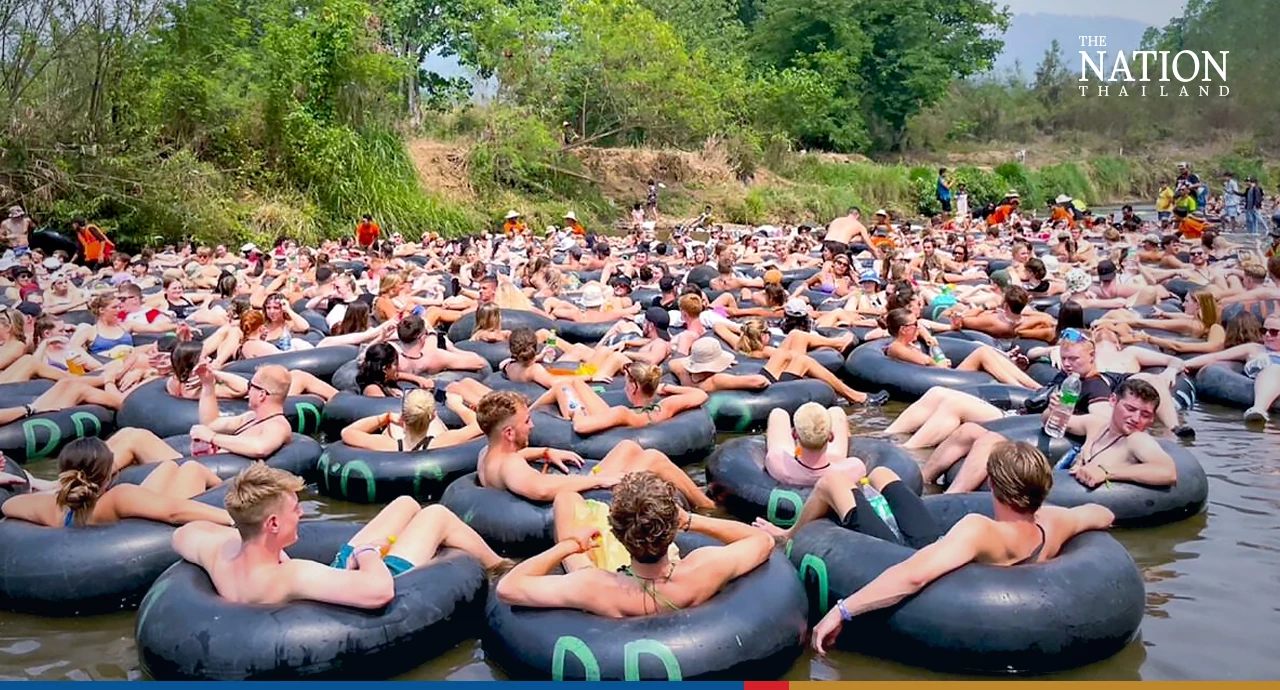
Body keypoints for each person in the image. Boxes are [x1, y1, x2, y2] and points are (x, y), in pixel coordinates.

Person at [805, 442, 1116, 655]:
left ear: (992, 486)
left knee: (834, 483)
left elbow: (913, 576)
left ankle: (787, 533)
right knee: (883, 474)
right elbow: (1103, 514)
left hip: (907, 557)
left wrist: (841, 611)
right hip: (941, 549)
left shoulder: (980, 530)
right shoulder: (1054, 523)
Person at [171, 463, 511, 607]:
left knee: (406, 504)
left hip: (334, 573)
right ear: (272, 524)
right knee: (435, 514)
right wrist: (366, 553)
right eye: (295, 510)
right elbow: (379, 591)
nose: (302, 514)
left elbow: (184, 533)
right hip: (362, 581)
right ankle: (501, 566)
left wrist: (241, 526)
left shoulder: (222, 554)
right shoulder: (289, 575)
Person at [495, 471, 772, 617]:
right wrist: (691, 522)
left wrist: (568, 545)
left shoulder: (593, 585)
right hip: (676, 583)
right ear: (672, 528)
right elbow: (763, 539)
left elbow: (507, 588)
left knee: (567, 502)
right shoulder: (704, 568)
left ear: (615, 533)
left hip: (618, 592)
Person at [474, 390, 713, 510]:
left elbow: (512, 461)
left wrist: (544, 451)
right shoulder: (511, 466)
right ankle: (707, 506)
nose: (532, 425)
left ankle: (699, 496)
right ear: (508, 433)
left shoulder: (486, 455)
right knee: (652, 458)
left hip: (581, 493)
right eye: (526, 422)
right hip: (587, 503)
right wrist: (601, 482)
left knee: (627, 447)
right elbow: (541, 489)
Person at [933, 377, 1178, 493]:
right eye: (1131, 409)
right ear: (1114, 401)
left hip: (1062, 497)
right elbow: (1051, 421)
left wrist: (1107, 472)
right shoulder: (1096, 424)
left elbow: (1167, 472)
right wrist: (1054, 407)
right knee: (970, 430)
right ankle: (921, 484)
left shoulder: (1137, 439)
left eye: (1145, 415)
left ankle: (950, 500)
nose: (1136, 419)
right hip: (1058, 479)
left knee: (991, 441)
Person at [1, 437, 230, 527]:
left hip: (92, 518)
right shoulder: (119, 497)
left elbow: (8, 505)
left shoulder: (54, 508)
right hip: (147, 527)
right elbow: (174, 512)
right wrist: (232, 520)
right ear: (108, 474)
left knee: (168, 466)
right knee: (191, 468)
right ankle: (225, 489)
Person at [107, 364, 294, 472]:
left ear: (261, 395)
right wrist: (208, 385)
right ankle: (86, 470)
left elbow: (260, 448)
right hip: (199, 464)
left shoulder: (277, 425)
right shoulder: (251, 417)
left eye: (251, 385)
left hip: (198, 471)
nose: (248, 389)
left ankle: (91, 477)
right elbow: (210, 423)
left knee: (136, 439)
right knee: (129, 433)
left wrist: (213, 438)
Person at [762, 402, 866, 486]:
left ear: (794, 434)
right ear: (831, 437)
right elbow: (855, 465)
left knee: (778, 414)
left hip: (795, 463)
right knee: (836, 411)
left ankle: (800, 445)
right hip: (832, 465)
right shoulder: (855, 468)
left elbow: (775, 454)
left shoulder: (776, 462)